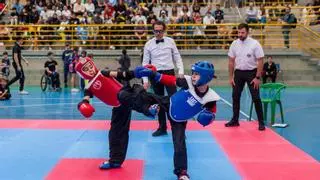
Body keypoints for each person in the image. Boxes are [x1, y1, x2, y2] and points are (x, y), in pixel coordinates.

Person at [76, 57, 219, 180]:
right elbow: (169, 79)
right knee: (120, 123)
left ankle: (181, 172)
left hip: (165, 112)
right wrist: (83, 104)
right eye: (85, 70)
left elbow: (123, 74)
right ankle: (116, 158)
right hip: (139, 104)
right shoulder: (89, 86)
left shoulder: (104, 73)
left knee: (179, 143)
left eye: (89, 66)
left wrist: (209, 117)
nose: (88, 70)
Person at [142, 20, 184, 137]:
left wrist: (180, 72)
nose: (158, 33)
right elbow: (145, 63)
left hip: (169, 73)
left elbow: (177, 58)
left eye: (160, 31)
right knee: (158, 102)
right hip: (155, 75)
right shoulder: (148, 44)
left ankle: (178, 129)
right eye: (156, 31)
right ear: (153, 30)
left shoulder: (171, 41)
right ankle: (162, 127)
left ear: (164, 30)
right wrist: (145, 81)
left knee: (174, 102)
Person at [225, 23, 265, 131]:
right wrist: (231, 77)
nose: (240, 34)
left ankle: (261, 122)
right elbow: (231, 61)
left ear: (247, 32)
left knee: (256, 97)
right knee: (235, 96)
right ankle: (235, 120)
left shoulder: (255, 44)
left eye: (242, 32)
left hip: (252, 73)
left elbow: (260, 60)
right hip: (238, 73)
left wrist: (257, 77)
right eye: (239, 32)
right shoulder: (234, 43)